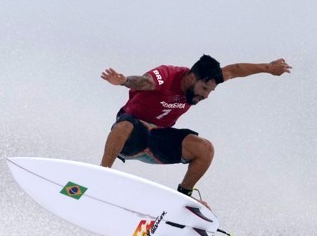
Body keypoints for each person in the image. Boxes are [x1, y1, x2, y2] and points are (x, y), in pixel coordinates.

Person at [100, 54, 291, 199]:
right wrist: (124, 81)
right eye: (205, 89)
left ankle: (184, 197)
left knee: (204, 148)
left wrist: (268, 68)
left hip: (159, 139)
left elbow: (234, 69)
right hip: (133, 136)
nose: (206, 96)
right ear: (192, 78)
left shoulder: (208, 78)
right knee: (125, 125)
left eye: (211, 91)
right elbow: (145, 82)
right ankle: (102, 175)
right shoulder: (167, 75)